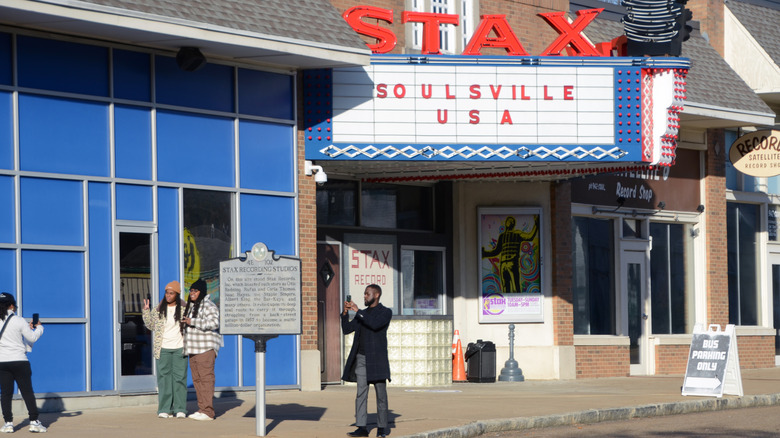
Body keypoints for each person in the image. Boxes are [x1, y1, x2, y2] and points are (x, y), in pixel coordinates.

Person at [341, 284, 392, 438]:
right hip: (361, 358)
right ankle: (361, 427)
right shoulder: (362, 314)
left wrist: (357, 311)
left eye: (367, 294)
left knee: (381, 395)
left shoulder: (385, 312)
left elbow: (375, 324)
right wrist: (345, 313)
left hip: (377, 360)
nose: (364, 296)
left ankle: (382, 428)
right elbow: (347, 329)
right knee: (361, 393)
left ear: (376, 295)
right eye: (364, 294)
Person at [0, 293, 45, 433]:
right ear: (12, 305)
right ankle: (34, 422)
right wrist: (38, 328)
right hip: (20, 361)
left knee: (6, 394)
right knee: (27, 392)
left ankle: (8, 423)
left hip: (2, 362)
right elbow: (31, 338)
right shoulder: (19, 321)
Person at [142, 281, 187, 419]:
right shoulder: (159, 308)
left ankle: (180, 409)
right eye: (167, 293)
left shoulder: (185, 309)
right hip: (163, 348)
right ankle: (164, 409)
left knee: (179, 379)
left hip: (180, 347)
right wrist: (146, 311)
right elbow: (150, 325)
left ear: (177, 295)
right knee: (164, 379)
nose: (168, 295)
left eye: (171, 293)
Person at [181, 279, 221, 421]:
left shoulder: (208, 305)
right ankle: (202, 408)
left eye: (195, 291)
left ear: (201, 292)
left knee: (206, 379)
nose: (192, 293)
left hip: (205, 347)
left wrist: (193, 322)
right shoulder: (192, 306)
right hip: (193, 348)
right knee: (197, 380)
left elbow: (215, 322)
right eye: (191, 291)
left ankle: (208, 412)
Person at [481, 215, 539, 293]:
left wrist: (485, 254)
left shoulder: (504, 236)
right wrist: (536, 225)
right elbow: (530, 236)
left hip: (505, 264)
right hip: (510, 264)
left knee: (508, 288)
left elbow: (496, 251)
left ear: (506, 224)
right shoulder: (515, 234)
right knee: (512, 289)